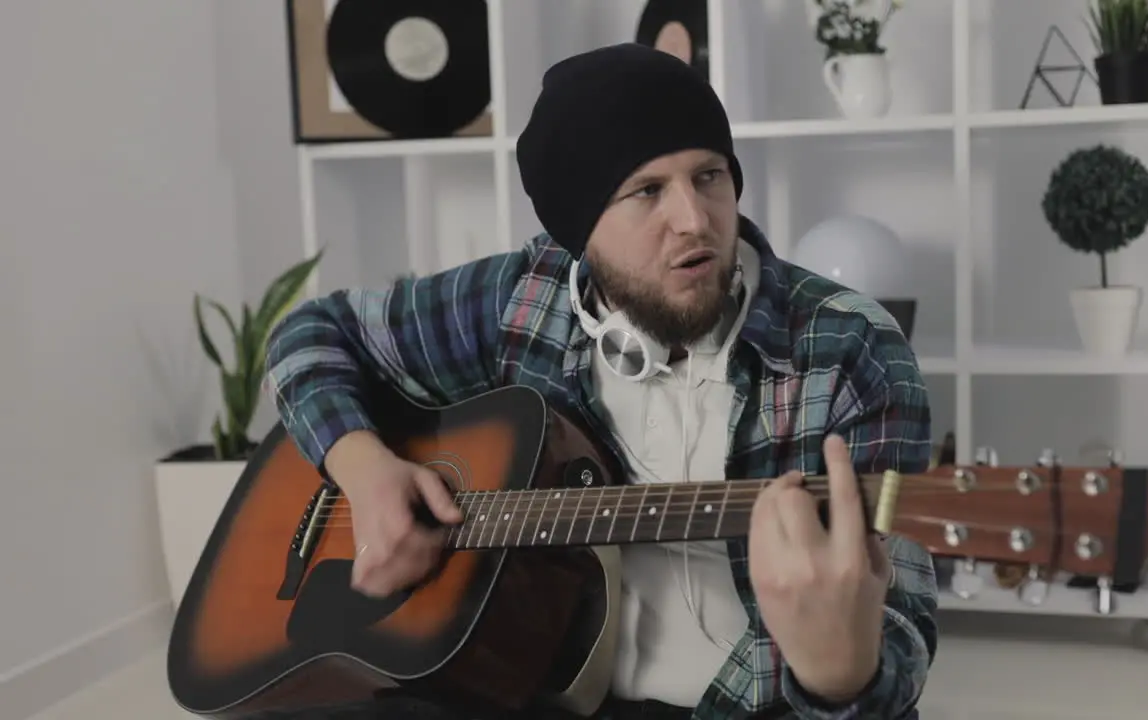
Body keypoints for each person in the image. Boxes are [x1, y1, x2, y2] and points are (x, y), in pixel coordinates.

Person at [265, 42, 937, 720]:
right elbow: (312, 334)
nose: (695, 219)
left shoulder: (850, 346)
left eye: (709, 176)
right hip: (543, 675)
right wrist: (365, 470)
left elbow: (903, 626)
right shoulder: (523, 298)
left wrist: (841, 675)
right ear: (577, 230)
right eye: (647, 191)